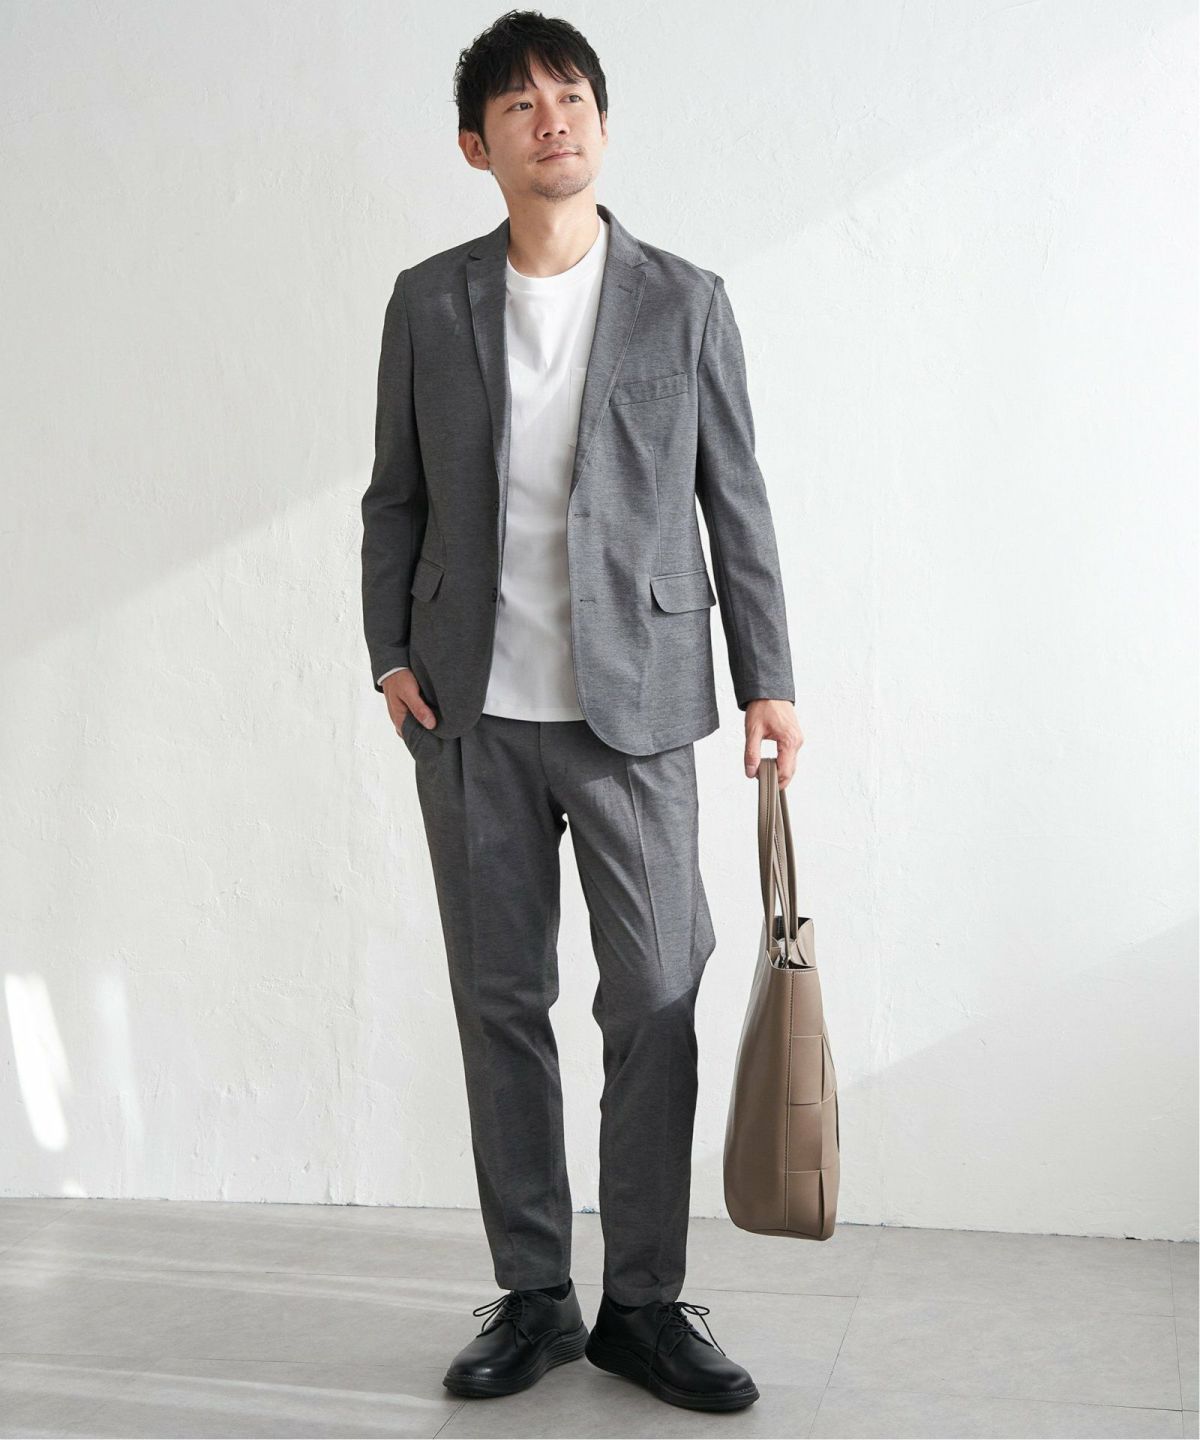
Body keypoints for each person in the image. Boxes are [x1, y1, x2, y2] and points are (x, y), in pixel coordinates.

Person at [360, 9, 803, 1415]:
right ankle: (538, 1294)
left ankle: (647, 1305)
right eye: (521, 103)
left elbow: (736, 501)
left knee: (657, 996)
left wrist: (770, 678)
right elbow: (394, 497)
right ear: (475, 146)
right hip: (470, 716)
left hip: (640, 711)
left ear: (601, 125)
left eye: (571, 96)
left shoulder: (686, 301)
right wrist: (387, 653)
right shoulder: (428, 302)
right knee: (502, 1003)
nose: (552, 118)